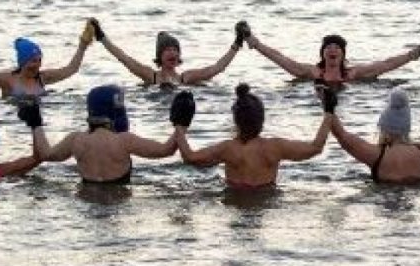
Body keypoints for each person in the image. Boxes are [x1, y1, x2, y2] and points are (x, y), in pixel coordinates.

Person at [173, 83, 333, 189]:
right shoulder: (275, 147)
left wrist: (180, 124)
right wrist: (329, 111)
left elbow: (190, 157)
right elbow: (315, 147)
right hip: (266, 199)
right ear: (261, 120)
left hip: (234, 198)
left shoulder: (228, 149)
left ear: (236, 120)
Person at [21, 85, 177, 185]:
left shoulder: (76, 140)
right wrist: (181, 122)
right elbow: (167, 150)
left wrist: (36, 123)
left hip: (86, 204)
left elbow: (45, 154)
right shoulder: (124, 141)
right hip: (118, 202)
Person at [90, 19, 246, 88]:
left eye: (175, 50)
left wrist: (237, 43)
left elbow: (217, 68)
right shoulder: (151, 76)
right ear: (159, 56)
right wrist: (101, 37)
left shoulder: (187, 77)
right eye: (167, 50)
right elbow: (124, 58)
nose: (172, 53)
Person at [245, 29, 420, 87]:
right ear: (322, 53)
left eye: (337, 47)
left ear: (342, 54)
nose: (332, 50)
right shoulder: (313, 72)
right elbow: (281, 59)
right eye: (328, 47)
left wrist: (414, 54)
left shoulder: (353, 74)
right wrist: (257, 44)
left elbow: (387, 64)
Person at [0, 24, 94, 99]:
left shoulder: (42, 78)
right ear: (23, 62)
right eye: (33, 61)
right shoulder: (8, 79)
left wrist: (82, 46)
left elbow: (71, 69)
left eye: (39, 60)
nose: (37, 65)